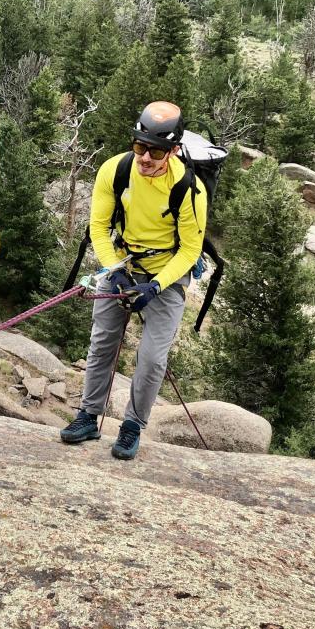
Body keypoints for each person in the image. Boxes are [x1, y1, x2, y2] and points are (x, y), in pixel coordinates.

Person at [60, 102, 207, 461]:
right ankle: (88, 416)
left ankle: (132, 426)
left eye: (156, 150)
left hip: (167, 272)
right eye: (140, 146)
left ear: (173, 151)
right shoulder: (116, 169)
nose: (145, 157)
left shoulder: (189, 188)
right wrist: (116, 270)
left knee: (153, 357)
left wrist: (155, 286)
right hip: (122, 262)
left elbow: (190, 250)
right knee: (103, 342)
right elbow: (98, 227)